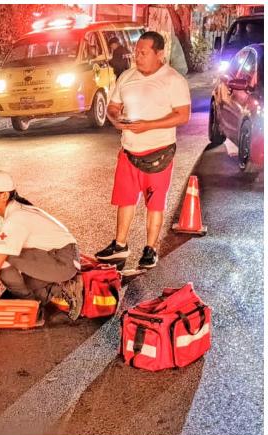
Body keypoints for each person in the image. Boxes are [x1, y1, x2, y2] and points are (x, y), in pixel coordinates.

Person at [95, 31, 191, 269]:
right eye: (136, 51)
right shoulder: (127, 76)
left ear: (159, 54)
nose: (137, 56)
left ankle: (150, 248)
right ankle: (120, 245)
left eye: (143, 52)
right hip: (128, 151)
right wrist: (117, 119)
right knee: (125, 200)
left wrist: (149, 125)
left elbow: (183, 115)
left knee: (154, 203)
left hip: (158, 152)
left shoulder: (173, 80)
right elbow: (113, 106)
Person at [0, 171, 84, 320]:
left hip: (63, 261)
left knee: (1, 260)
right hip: (51, 259)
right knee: (14, 295)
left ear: (4, 196)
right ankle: (52, 291)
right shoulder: (1, 214)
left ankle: (37, 302)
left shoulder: (15, 219)